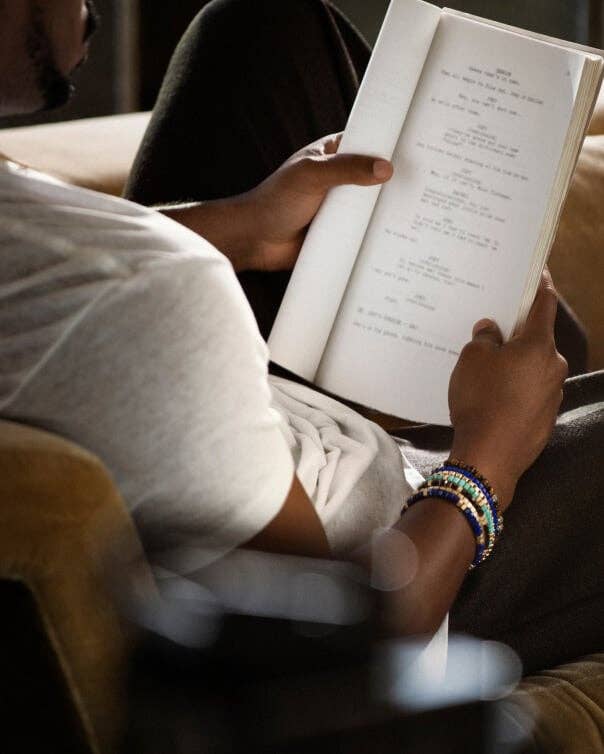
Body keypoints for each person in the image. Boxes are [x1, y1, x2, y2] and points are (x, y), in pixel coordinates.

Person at [0, 0, 601, 676]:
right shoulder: (144, 300)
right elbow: (342, 646)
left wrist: (237, 225)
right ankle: (540, 389)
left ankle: (551, 370)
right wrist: (485, 464)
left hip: (256, 415)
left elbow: (61, 257)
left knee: (261, 27)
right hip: (418, 554)